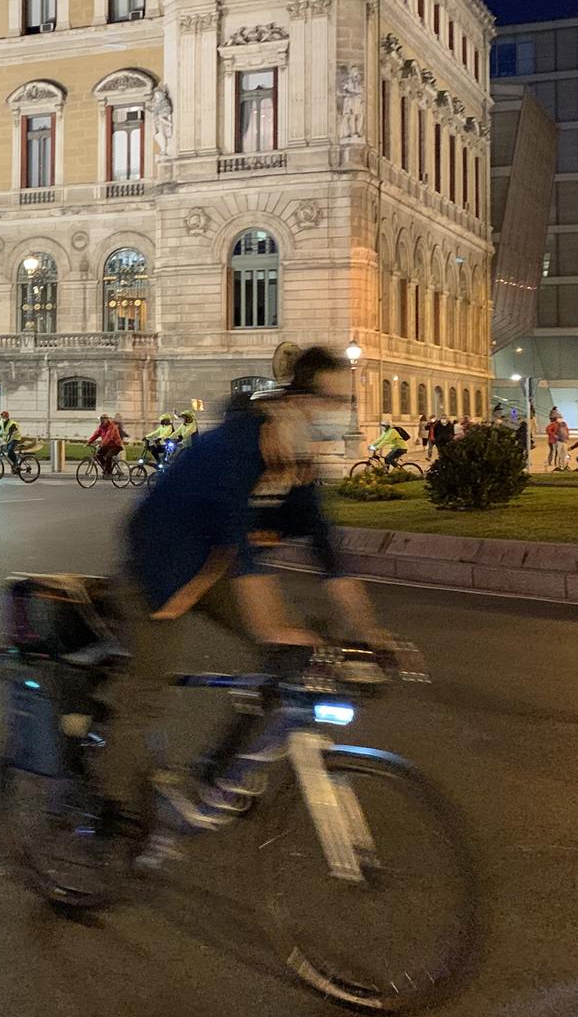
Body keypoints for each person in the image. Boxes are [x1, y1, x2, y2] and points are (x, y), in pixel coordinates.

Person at [104, 346, 399, 831]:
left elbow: (330, 555)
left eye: (346, 402)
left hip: (212, 569)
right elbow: (242, 555)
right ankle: (110, 802)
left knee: (290, 658)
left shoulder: (298, 464)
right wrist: (278, 630)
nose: (338, 414)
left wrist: (372, 632)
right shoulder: (234, 451)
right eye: (330, 401)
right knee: (151, 681)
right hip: (158, 566)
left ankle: (221, 771)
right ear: (294, 401)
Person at [86, 413, 124, 478]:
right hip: (107, 445)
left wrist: (101, 444)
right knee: (98, 455)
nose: (102, 421)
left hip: (116, 446)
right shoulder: (101, 427)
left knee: (109, 456)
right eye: (101, 419)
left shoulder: (112, 426)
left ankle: (109, 473)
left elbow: (108, 436)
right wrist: (88, 442)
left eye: (103, 419)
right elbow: (96, 434)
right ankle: (106, 467)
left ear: (107, 420)